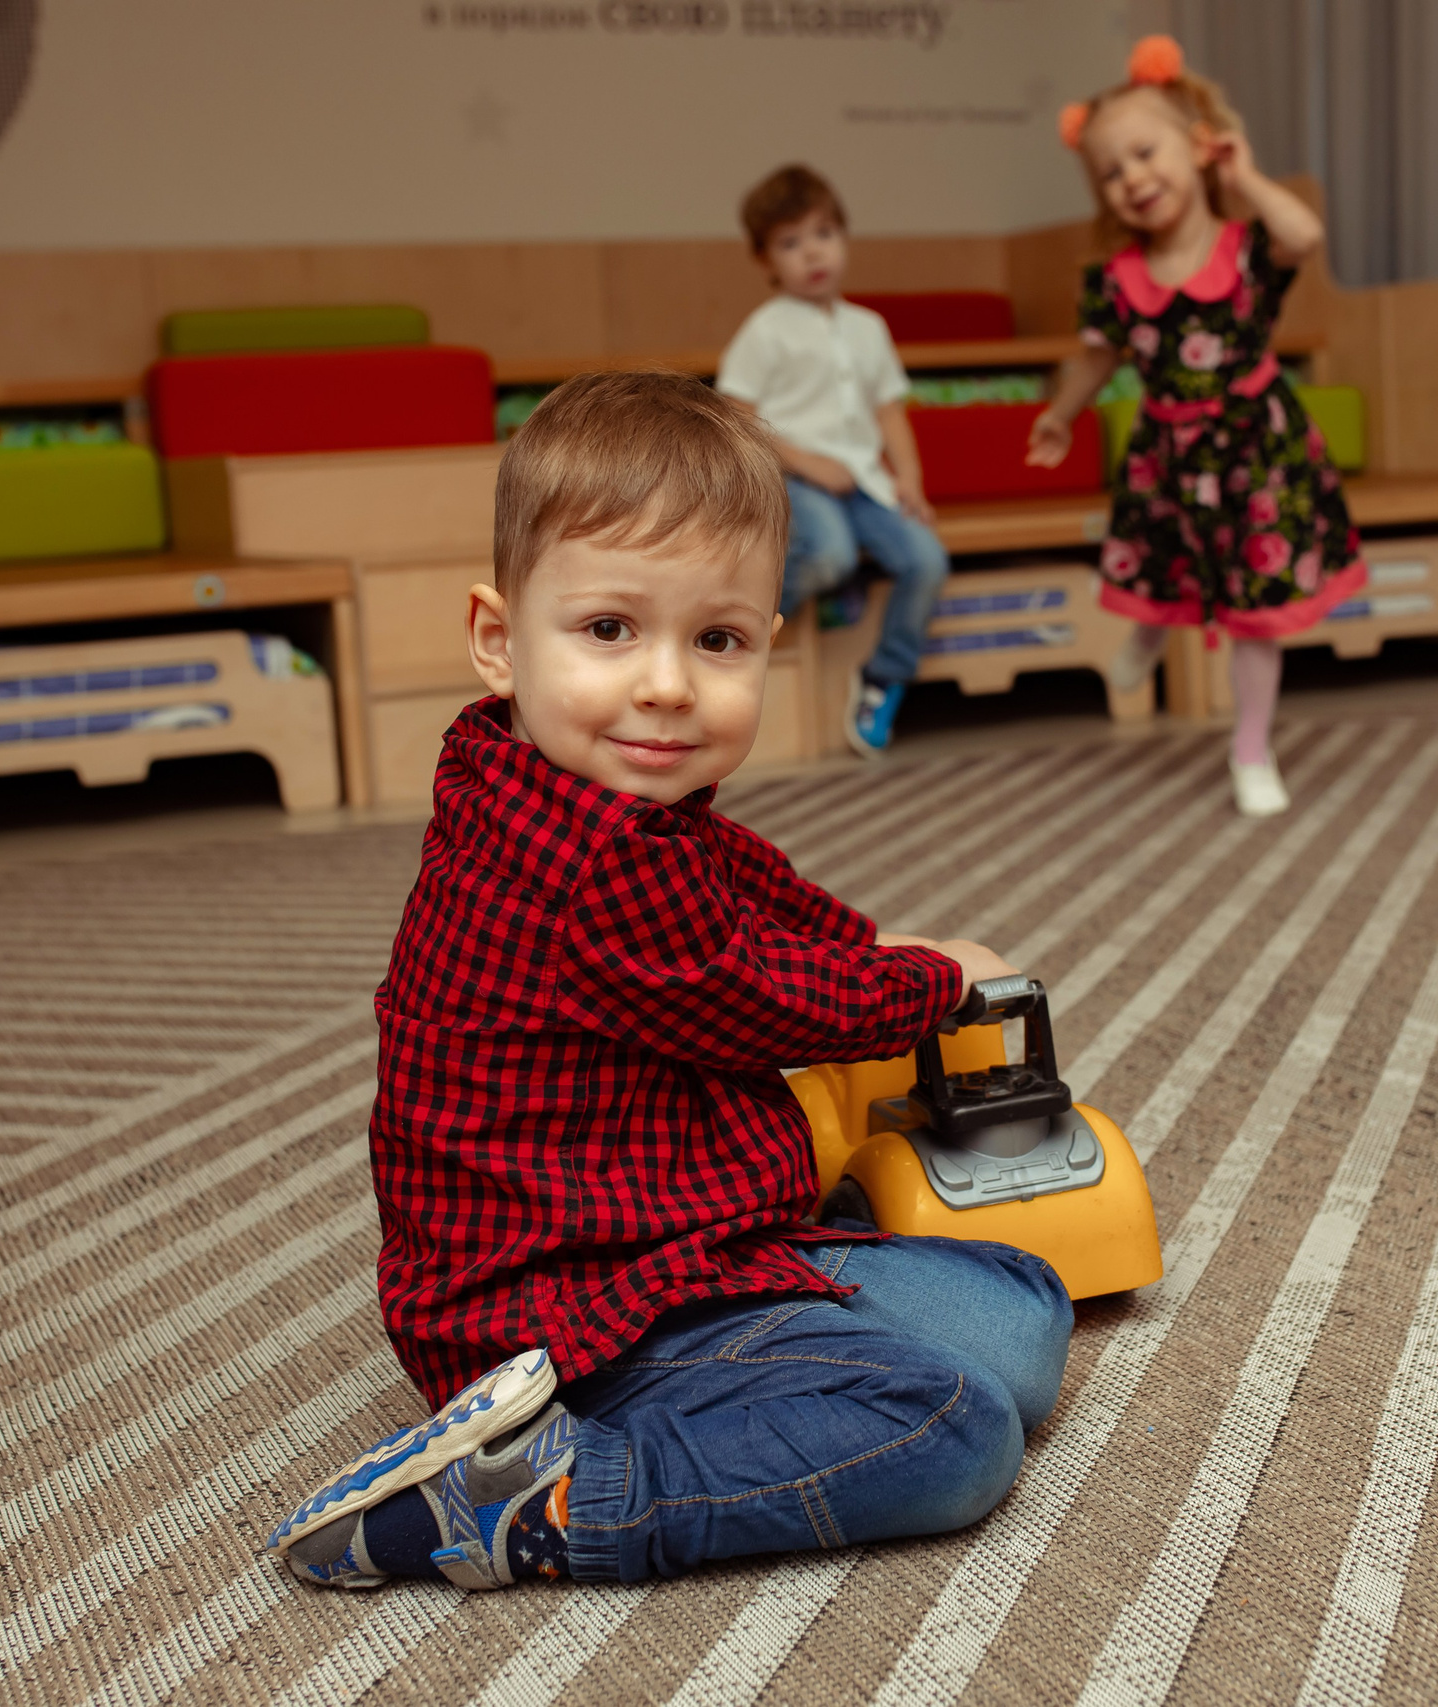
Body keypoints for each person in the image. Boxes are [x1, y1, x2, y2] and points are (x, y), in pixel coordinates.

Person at [263, 372, 1070, 1589]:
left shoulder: (546, 779)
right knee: (954, 1433)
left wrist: (872, 941)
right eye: (608, 631)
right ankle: (541, 1497)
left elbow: (754, 890)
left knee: (1021, 1312)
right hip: (565, 1314)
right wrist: (925, 986)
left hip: (671, 1239)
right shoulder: (588, 867)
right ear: (498, 639)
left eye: (718, 639)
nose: (666, 684)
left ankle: (783, 1325)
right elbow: (768, 1003)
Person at [1026, 35, 1365, 819]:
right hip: (1168, 454)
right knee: (1160, 569)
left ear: (1197, 145)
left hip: (1256, 450)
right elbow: (1098, 358)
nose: (1133, 178)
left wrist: (1241, 174)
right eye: (1112, 171)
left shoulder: (1248, 251)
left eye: (1146, 153)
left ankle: (1250, 747)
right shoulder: (1115, 281)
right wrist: (1060, 414)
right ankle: (1147, 638)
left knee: (1254, 603)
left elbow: (1306, 237)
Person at [719, 164, 949, 757]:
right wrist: (804, 461)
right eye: (790, 244)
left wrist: (912, 483)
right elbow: (735, 416)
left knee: (927, 558)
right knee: (828, 552)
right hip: (797, 478)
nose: (812, 253)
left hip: (865, 482)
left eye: (823, 234)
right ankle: (747, 628)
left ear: (844, 237)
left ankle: (885, 678)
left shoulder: (869, 328)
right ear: (765, 261)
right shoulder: (764, 331)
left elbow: (890, 413)